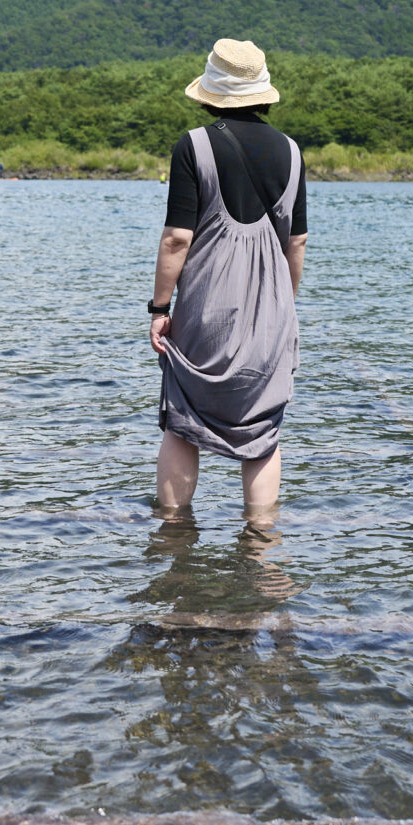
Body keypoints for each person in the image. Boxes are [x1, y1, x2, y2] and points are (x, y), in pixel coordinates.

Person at [149, 39, 307, 526]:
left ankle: (174, 540)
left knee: (183, 423)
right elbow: (295, 244)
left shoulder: (193, 145)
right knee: (262, 436)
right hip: (271, 316)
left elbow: (178, 239)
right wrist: (283, 308)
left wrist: (158, 309)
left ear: (210, 91)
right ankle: (261, 550)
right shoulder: (292, 152)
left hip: (204, 312)